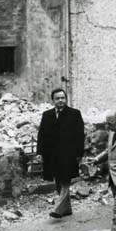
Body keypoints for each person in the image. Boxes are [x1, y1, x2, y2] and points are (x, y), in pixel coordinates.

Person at [36, 88, 85, 219]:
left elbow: (80, 135)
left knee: (65, 180)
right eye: (57, 98)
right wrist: (40, 152)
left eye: (63, 98)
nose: (60, 100)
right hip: (52, 155)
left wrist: (79, 153)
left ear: (66, 99)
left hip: (69, 154)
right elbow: (42, 135)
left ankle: (58, 208)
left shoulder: (74, 114)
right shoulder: (47, 115)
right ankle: (67, 209)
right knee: (58, 180)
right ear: (53, 100)